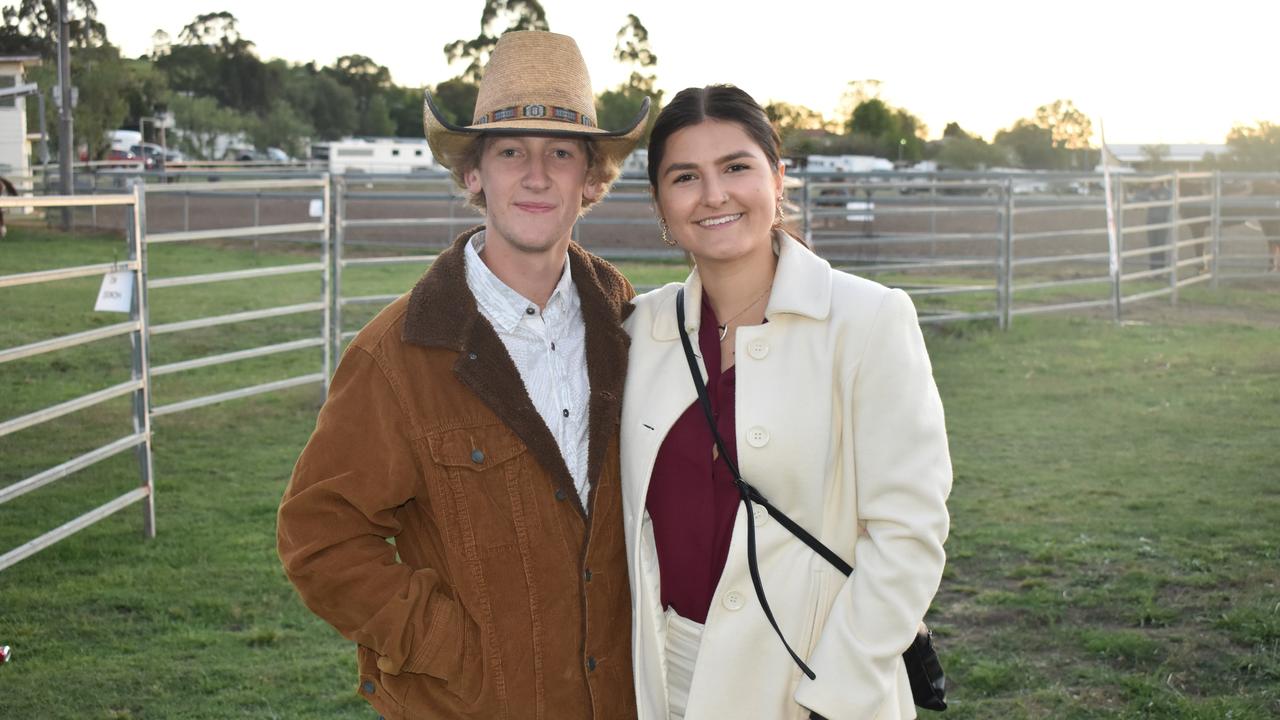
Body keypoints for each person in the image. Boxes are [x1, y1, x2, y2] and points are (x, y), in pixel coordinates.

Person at [277, 31, 648, 720]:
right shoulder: (397, 355)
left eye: (560, 154)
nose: (535, 175)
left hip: (622, 701)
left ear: (591, 179)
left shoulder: (631, 325)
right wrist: (449, 648)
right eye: (510, 151)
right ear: (474, 174)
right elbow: (320, 536)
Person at [620, 85, 951, 720]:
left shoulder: (868, 319)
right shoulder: (640, 329)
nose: (714, 194)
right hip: (671, 676)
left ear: (777, 176)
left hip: (813, 677)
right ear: (661, 204)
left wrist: (836, 693)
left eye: (736, 167)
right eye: (685, 176)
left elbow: (908, 535)